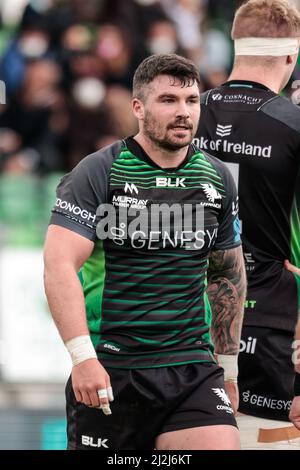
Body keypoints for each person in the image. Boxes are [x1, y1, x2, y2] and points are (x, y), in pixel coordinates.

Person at [43, 53, 246, 450]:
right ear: (138, 107)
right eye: (168, 100)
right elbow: (59, 265)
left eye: (191, 100)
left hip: (192, 366)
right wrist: (83, 357)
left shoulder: (217, 177)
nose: (184, 112)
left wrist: (230, 369)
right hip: (114, 367)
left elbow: (227, 275)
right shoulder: (100, 171)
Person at [195, 0, 300, 449]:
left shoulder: (181, 114)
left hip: (186, 323)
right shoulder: (294, 125)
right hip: (270, 330)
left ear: (236, 46)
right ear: (291, 58)